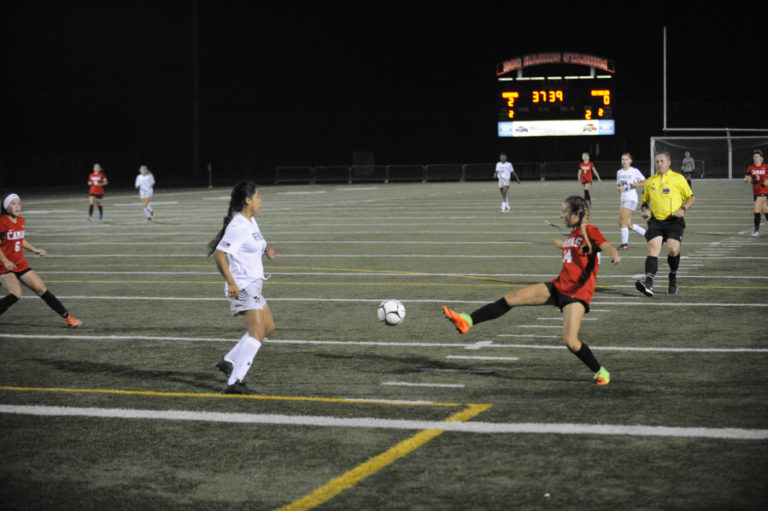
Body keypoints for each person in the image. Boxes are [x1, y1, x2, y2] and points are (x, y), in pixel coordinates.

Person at [443, 195, 620, 386]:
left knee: (570, 341)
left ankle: (601, 371)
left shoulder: (590, 230)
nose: (561, 216)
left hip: (575, 295)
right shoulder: (573, 236)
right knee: (512, 298)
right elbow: (577, 254)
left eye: (564, 212)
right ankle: (467, 321)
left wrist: (614, 254)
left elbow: (605, 245)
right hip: (558, 286)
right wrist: (562, 245)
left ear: (577, 214)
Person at [208, 181, 276, 394]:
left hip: (254, 285)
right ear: (248, 200)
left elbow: (256, 241)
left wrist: (266, 249)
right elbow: (219, 254)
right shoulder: (238, 225)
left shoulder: (251, 221)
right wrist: (231, 282)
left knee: (268, 329)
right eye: (258, 196)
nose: (260, 200)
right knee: (257, 332)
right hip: (243, 286)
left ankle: (229, 360)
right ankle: (234, 382)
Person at [0, 193, 82, 326]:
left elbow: (20, 240)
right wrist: (5, 261)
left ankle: (68, 318)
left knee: (41, 289)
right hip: (4, 266)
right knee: (16, 294)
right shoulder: (2, 222)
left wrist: (34, 249)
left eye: (19, 203)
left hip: (20, 264)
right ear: (5, 206)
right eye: (13, 203)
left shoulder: (21, 221)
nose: (17, 206)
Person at [635, 151, 695, 297]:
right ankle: (649, 284)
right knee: (653, 249)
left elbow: (691, 198)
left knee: (673, 250)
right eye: (657, 161)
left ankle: (672, 277)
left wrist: (683, 209)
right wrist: (645, 210)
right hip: (656, 222)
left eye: (662, 161)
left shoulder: (678, 178)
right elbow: (644, 201)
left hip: (674, 221)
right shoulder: (650, 181)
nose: (659, 164)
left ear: (669, 163)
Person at [615, 152, 647, 249]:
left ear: (630, 161)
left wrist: (636, 185)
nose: (624, 161)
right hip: (623, 199)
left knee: (621, 220)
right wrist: (619, 188)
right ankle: (647, 234)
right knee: (628, 224)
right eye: (622, 159)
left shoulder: (634, 171)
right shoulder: (619, 172)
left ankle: (625, 245)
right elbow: (619, 185)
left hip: (631, 198)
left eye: (626, 159)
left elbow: (645, 182)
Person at [743, 149, 768, 236]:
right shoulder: (751, 167)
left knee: (756, 208)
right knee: (765, 209)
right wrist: (747, 179)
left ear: (761, 158)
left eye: (758, 156)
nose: (756, 158)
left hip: (764, 190)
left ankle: (756, 230)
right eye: (754, 156)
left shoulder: (766, 166)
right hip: (756, 191)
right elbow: (746, 177)